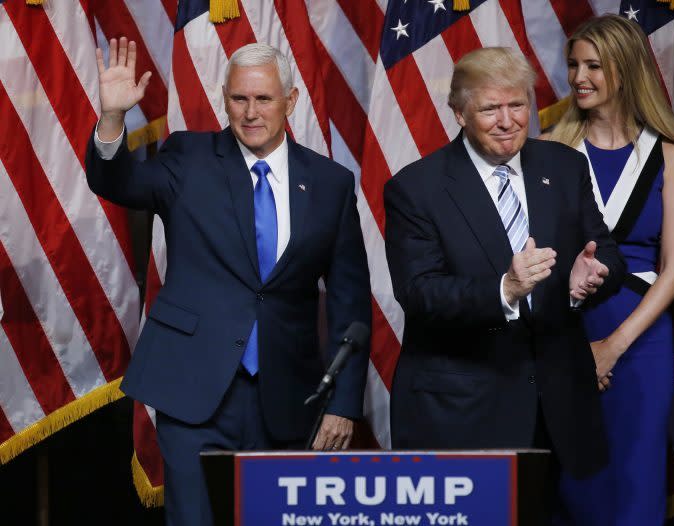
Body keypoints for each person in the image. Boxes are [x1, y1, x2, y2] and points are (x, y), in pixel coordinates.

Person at [86, 38, 371, 526]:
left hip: (287, 397)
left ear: (292, 101)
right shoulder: (188, 157)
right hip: (194, 390)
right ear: (224, 98)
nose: (251, 112)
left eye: (264, 99)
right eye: (239, 99)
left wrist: (344, 405)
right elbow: (118, 184)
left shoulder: (330, 182)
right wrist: (112, 119)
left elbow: (350, 304)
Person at [384, 46, 625, 495]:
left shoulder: (565, 166)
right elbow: (420, 294)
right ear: (459, 113)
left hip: (554, 406)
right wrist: (506, 289)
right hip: (465, 410)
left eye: (517, 105)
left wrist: (584, 283)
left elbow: (606, 254)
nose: (508, 120)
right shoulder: (416, 188)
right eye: (490, 109)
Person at [544, 14, 674, 525]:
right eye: (573, 65)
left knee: (635, 480)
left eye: (593, 66)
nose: (578, 77)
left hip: (641, 338)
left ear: (625, 70)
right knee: (575, 483)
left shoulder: (671, 157)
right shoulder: (549, 150)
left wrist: (613, 347)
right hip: (565, 332)